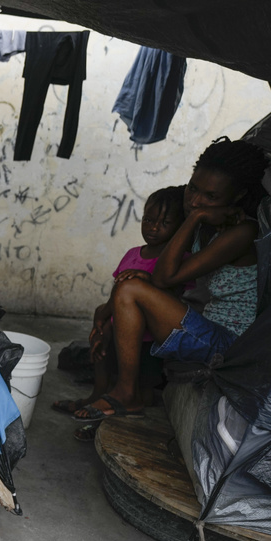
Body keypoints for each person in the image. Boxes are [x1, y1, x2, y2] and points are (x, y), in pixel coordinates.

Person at [74, 138, 269, 421]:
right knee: (129, 288)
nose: (194, 201)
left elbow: (165, 277)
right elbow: (167, 274)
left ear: (238, 196)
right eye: (192, 188)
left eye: (209, 198)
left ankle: (126, 393)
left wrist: (194, 218)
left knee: (131, 290)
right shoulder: (211, 222)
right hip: (208, 327)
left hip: (231, 344)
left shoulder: (241, 233)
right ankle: (128, 391)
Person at [51, 186, 185, 434]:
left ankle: (106, 421)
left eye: (164, 222)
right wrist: (102, 325)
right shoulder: (134, 253)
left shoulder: (176, 260)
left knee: (143, 394)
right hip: (118, 330)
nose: (153, 228)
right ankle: (95, 398)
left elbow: (174, 299)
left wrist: (147, 279)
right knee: (101, 351)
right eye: (148, 220)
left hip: (148, 342)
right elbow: (117, 294)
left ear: (180, 226)